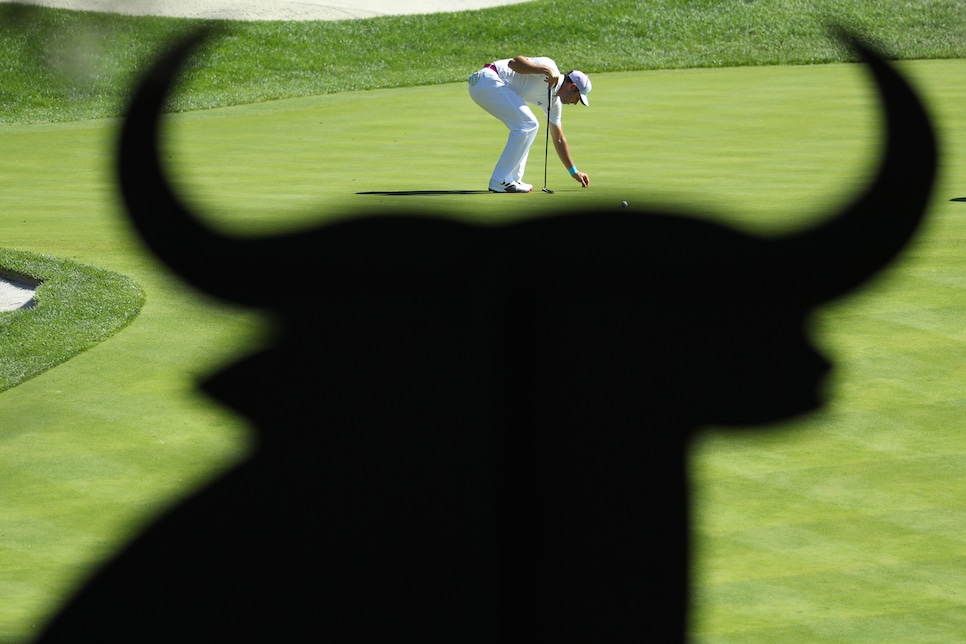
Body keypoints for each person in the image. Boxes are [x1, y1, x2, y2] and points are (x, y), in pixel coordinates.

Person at [468, 56, 591, 193]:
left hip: (487, 86)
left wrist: (573, 171)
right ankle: (500, 180)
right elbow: (514, 63)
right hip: (487, 80)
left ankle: (512, 179)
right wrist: (545, 70)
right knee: (528, 125)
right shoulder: (549, 65)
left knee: (528, 126)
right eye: (578, 98)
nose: (575, 103)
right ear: (572, 87)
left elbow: (559, 138)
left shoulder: (554, 104)